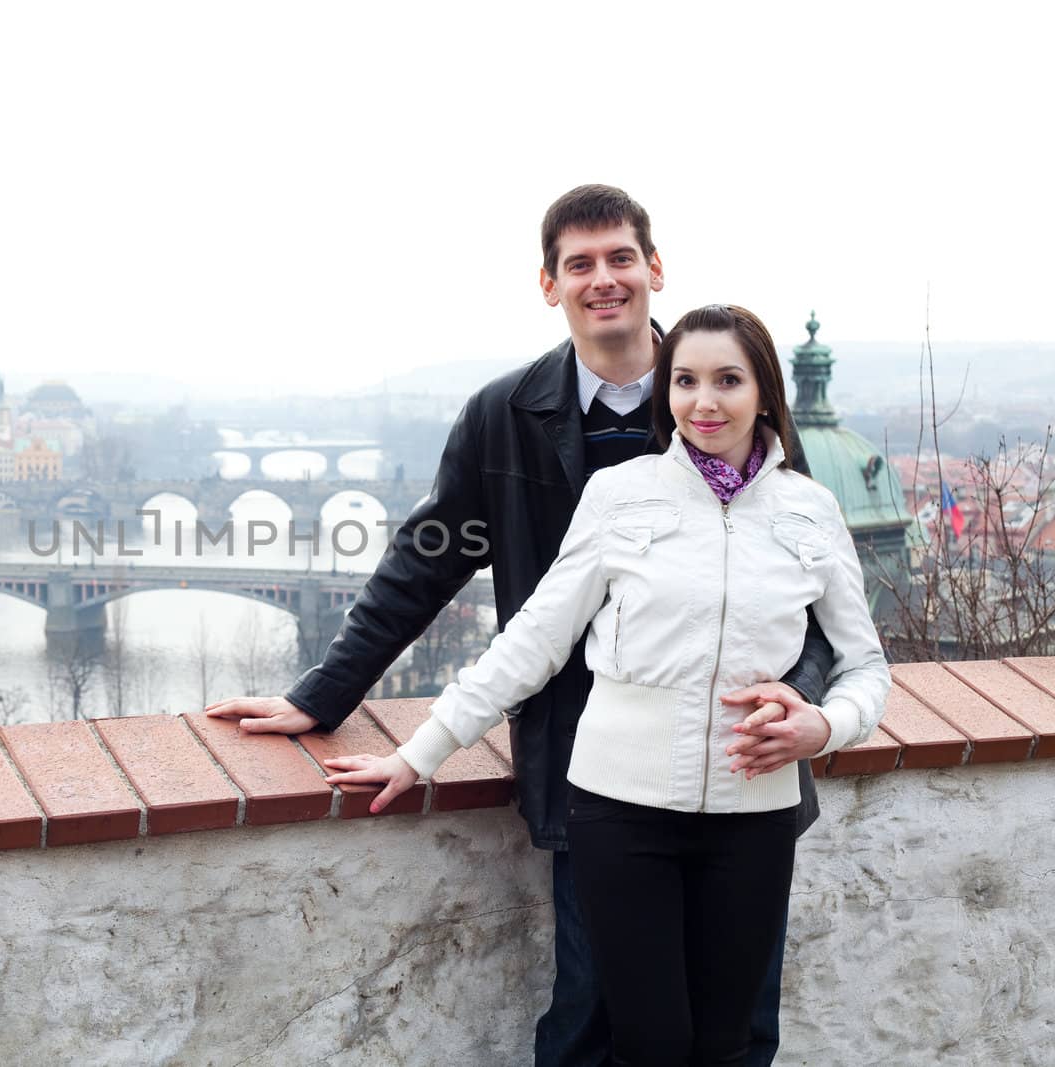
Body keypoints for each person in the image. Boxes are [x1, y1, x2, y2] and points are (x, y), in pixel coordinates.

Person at [206, 185, 838, 1067]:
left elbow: (806, 595)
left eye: (621, 257)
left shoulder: (727, 398)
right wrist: (324, 692)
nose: (604, 279)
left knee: (737, 1028)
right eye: (580, 264)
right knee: (589, 1012)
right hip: (593, 768)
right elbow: (428, 558)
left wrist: (800, 704)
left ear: (655, 269)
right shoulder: (505, 416)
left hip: (741, 768)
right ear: (550, 284)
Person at [322, 304, 890, 1063]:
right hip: (621, 811)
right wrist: (419, 751)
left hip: (754, 811)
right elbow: (534, 638)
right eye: (684, 380)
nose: (704, 401)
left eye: (728, 379)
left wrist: (825, 726)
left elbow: (865, 664)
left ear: (764, 392)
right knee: (648, 1041)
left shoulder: (810, 510)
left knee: (729, 1044)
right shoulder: (622, 494)